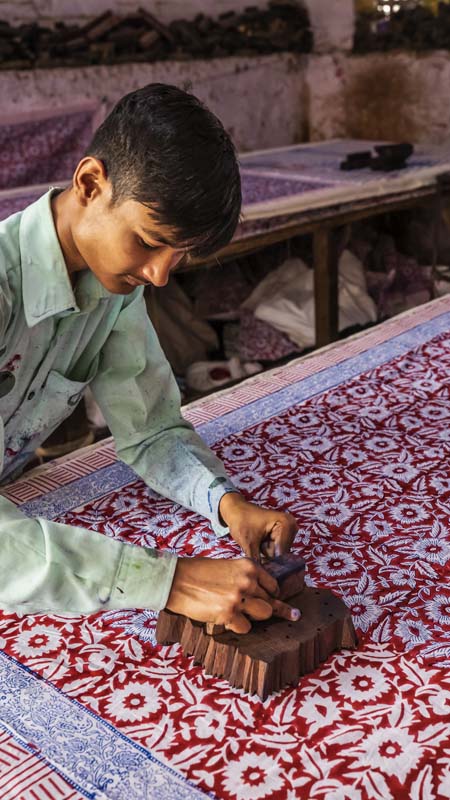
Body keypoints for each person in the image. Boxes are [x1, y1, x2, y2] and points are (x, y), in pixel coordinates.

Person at [0, 83, 298, 634]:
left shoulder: (113, 291)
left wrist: (226, 502)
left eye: (177, 255)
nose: (161, 274)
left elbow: (150, 430)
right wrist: (170, 580)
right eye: (147, 240)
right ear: (90, 184)